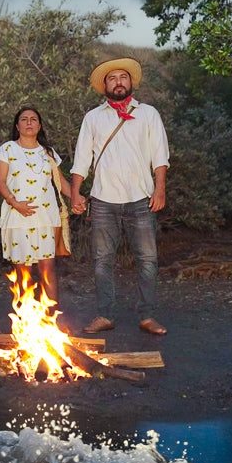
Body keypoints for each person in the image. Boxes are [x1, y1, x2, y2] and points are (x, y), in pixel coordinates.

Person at [69, 57, 170, 335]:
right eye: (112, 78)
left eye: (122, 77)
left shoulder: (149, 113)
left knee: (147, 259)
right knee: (102, 260)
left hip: (141, 198)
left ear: (131, 82)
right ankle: (105, 315)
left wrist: (159, 189)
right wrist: (75, 192)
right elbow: (82, 159)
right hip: (103, 199)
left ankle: (147, 316)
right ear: (105, 85)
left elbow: (160, 155)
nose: (118, 82)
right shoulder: (93, 117)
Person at [0, 106, 74, 306]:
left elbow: (60, 182)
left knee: (48, 267)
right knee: (22, 270)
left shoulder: (48, 153)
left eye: (33, 119)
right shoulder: (7, 149)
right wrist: (15, 203)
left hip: (47, 217)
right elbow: (0, 182)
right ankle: (24, 318)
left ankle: (52, 318)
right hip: (17, 217)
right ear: (17, 125)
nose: (29, 122)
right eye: (24, 119)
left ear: (39, 125)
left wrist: (78, 198)